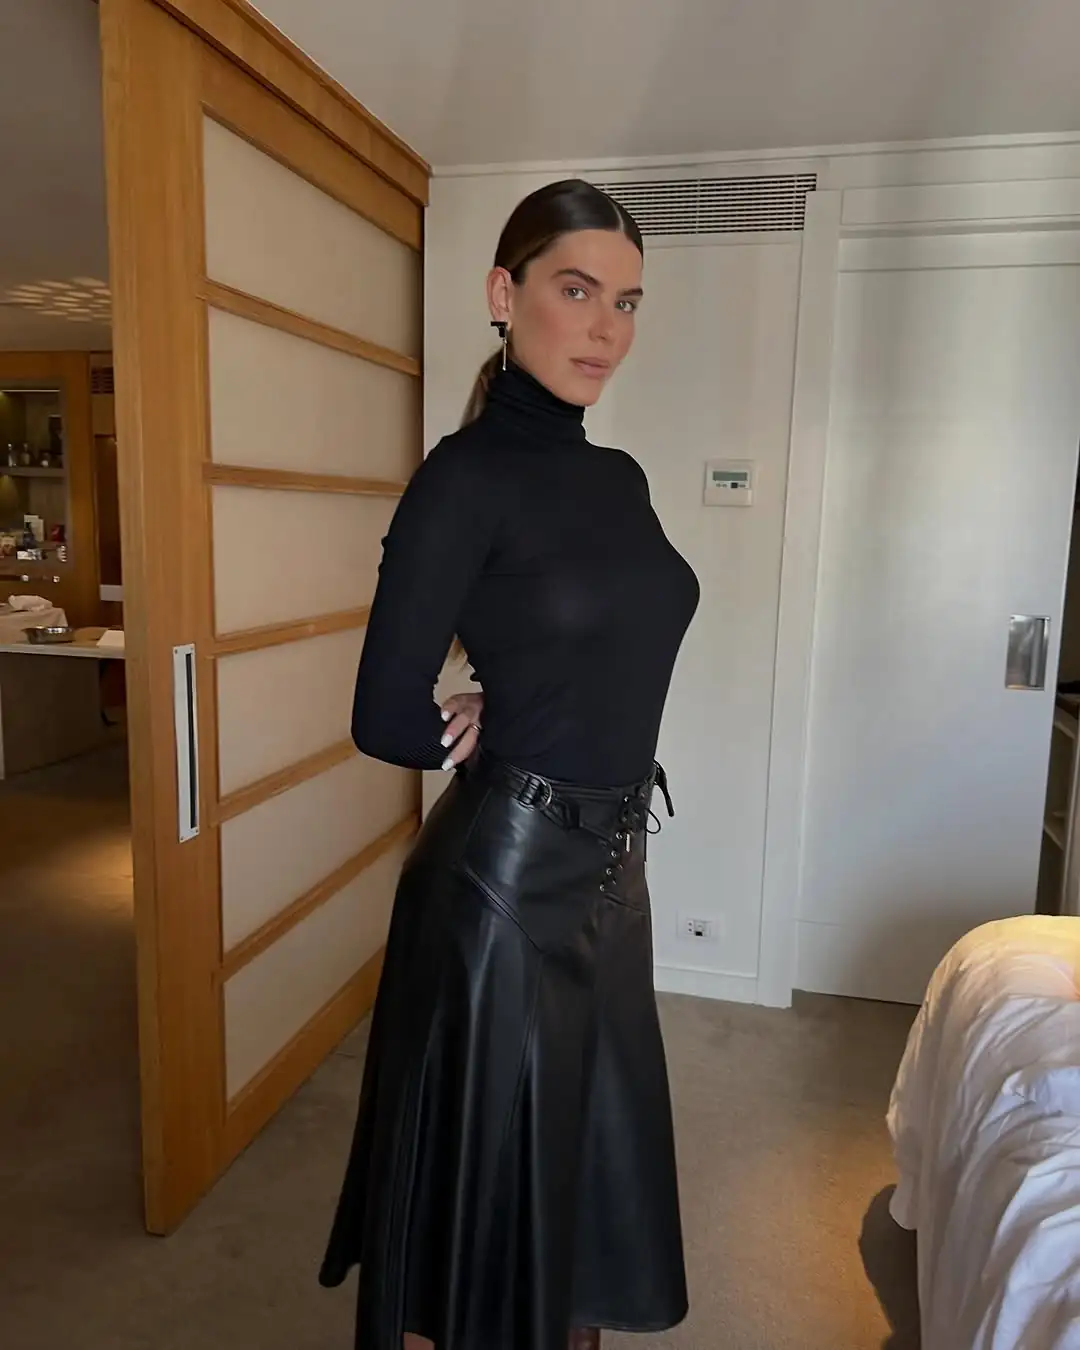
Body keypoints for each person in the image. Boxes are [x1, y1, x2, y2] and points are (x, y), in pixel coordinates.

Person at [319, 179, 700, 1350]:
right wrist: (472, 721)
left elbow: (593, 650)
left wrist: (508, 692)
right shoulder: (463, 477)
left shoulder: (620, 478)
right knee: (473, 1223)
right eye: (576, 291)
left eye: (625, 303)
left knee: (577, 1198)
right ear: (504, 292)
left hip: (612, 880)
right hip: (501, 894)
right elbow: (383, 712)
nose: (605, 329)